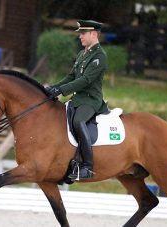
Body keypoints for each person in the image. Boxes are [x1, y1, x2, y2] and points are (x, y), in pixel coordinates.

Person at [46, 20, 108, 180]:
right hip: (77, 99)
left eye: (83, 33)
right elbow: (72, 76)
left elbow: (86, 80)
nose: (80, 36)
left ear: (93, 34)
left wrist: (61, 90)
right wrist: (54, 87)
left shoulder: (100, 56)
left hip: (90, 100)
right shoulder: (82, 54)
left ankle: (87, 166)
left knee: (78, 121)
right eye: (80, 33)